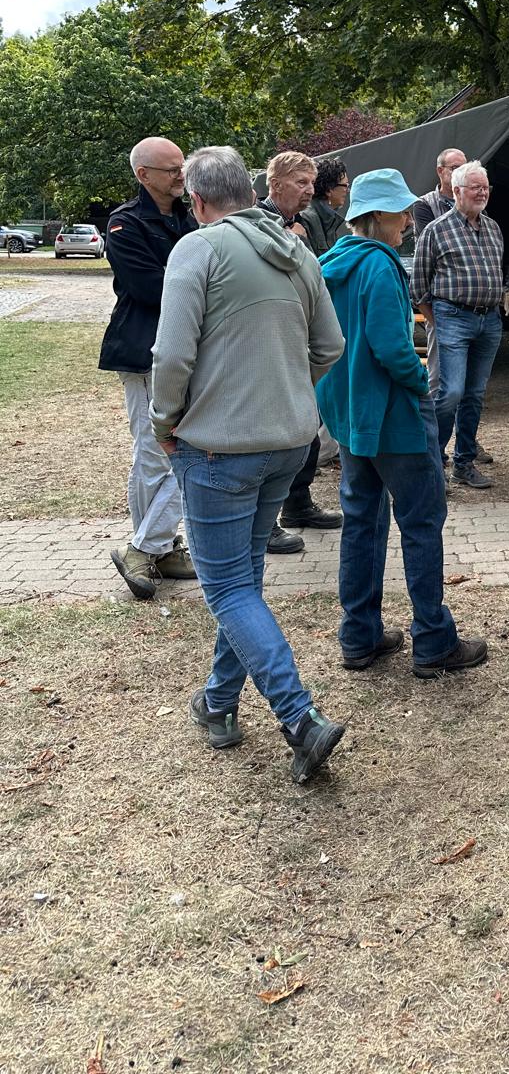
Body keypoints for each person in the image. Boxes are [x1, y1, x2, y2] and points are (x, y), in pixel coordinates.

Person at [149, 146, 347, 784]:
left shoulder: (198, 249)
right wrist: (287, 390)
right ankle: (218, 703)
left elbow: (171, 356)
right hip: (287, 443)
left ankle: (300, 718)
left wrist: (163, 422)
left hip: (219, 450)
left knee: (229, 588)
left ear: (199, 201)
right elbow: (330, 345)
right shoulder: (297, 251)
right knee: (244, 580)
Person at [317, 169, 488, 677]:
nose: (409, 221)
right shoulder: (379, 264)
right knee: (421, 523)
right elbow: (393, 348)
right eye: (402, 212)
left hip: (351, 417)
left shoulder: (330, 263)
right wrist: (419, 384)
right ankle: (433, 640)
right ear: (379, 215)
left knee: (361, 523)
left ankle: (359, 636)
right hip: (393, 418)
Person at [101, 136, 198, 599]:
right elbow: (149, 287)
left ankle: (151, 548)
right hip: (144, 350)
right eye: (171, 169)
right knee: (157, 451)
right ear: (144, 175)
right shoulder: (125, 223)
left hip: (189, 347)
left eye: (182, 167)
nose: (181, 175)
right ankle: (153, 546)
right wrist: (200, 284)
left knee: (172, 450)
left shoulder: (191, 216)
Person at [260, 149, 341, 542]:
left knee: (306, 425)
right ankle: (265, 524)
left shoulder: (304, 222)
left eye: (311, 182)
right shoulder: (259, 224)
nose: (309, 190)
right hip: (271, 342)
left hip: (303, 337)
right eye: (300, 182)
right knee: (273, 434)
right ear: (275, 184)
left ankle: (297, 504)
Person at [412, 160, 504, 488]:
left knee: (475, 394)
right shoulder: (435, 230)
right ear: (456, 191)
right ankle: (433, 464)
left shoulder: (493, 228)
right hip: (452, 316)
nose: (482, 193)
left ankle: (464, 464)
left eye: (485, 187)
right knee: (450, 392)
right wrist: (438, 321)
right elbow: (418, 285)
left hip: (489, 320)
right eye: (475, 187)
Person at [297, 157, 350, 253]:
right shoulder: (306, 219)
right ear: (329, 189)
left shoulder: (328, 219)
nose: (347, 190)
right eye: (345, 185)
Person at [412, 147, 467, 237]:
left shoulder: (472, 200)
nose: (461, 174)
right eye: (455, 168)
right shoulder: (424, 204)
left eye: (464, 169)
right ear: (440, 171)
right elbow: (431, 240)